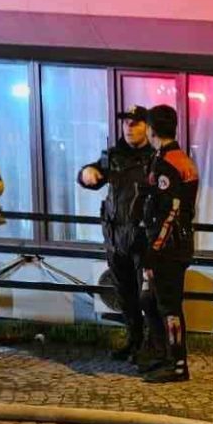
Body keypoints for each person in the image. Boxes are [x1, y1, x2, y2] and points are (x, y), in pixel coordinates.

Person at [77, 106, 156, 363]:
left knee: (148, 296)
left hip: (142, 238)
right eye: (126, 123)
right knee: (124, 295)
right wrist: (86, 173)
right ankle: (134, 341)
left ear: (146, 127)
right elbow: (93, 175)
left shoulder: (154, 158)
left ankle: (152, 346)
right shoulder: (113, 156)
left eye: (135, 123)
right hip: (116, 237)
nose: (129, 128)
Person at [139, 104, 198, 384]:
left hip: (169, 247)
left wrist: (154, 250)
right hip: (175, 243)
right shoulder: (177, 158)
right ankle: (164, 355)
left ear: (151, 130)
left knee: (169, 305)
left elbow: (170, 211)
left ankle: (177, 364)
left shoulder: (167, 163)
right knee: (150, 300)